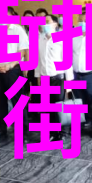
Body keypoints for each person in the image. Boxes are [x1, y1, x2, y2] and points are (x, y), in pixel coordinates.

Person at [0, 7, 29, 144]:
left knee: (18, 102)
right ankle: (1, 130)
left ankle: (22, 132)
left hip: (13, 70)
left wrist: (10, 65)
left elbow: (22, 51)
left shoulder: (18, 30)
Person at [35, 14, 74, 142]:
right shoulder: (40, 39)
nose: (44, 24)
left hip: (58, 77)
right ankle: (51, 132)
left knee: (60, 105)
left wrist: (69, 83)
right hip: (44, 78)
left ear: (55, 24)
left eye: (47, 21)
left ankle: (63, 132)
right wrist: (38, 77)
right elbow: (38, 60)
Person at [72, 12, 92, 139]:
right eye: (80, 21)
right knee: (80, 102)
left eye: (85, 21)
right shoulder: (74, 36)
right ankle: (86, 123)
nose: (82, 23)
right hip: (76, 75)